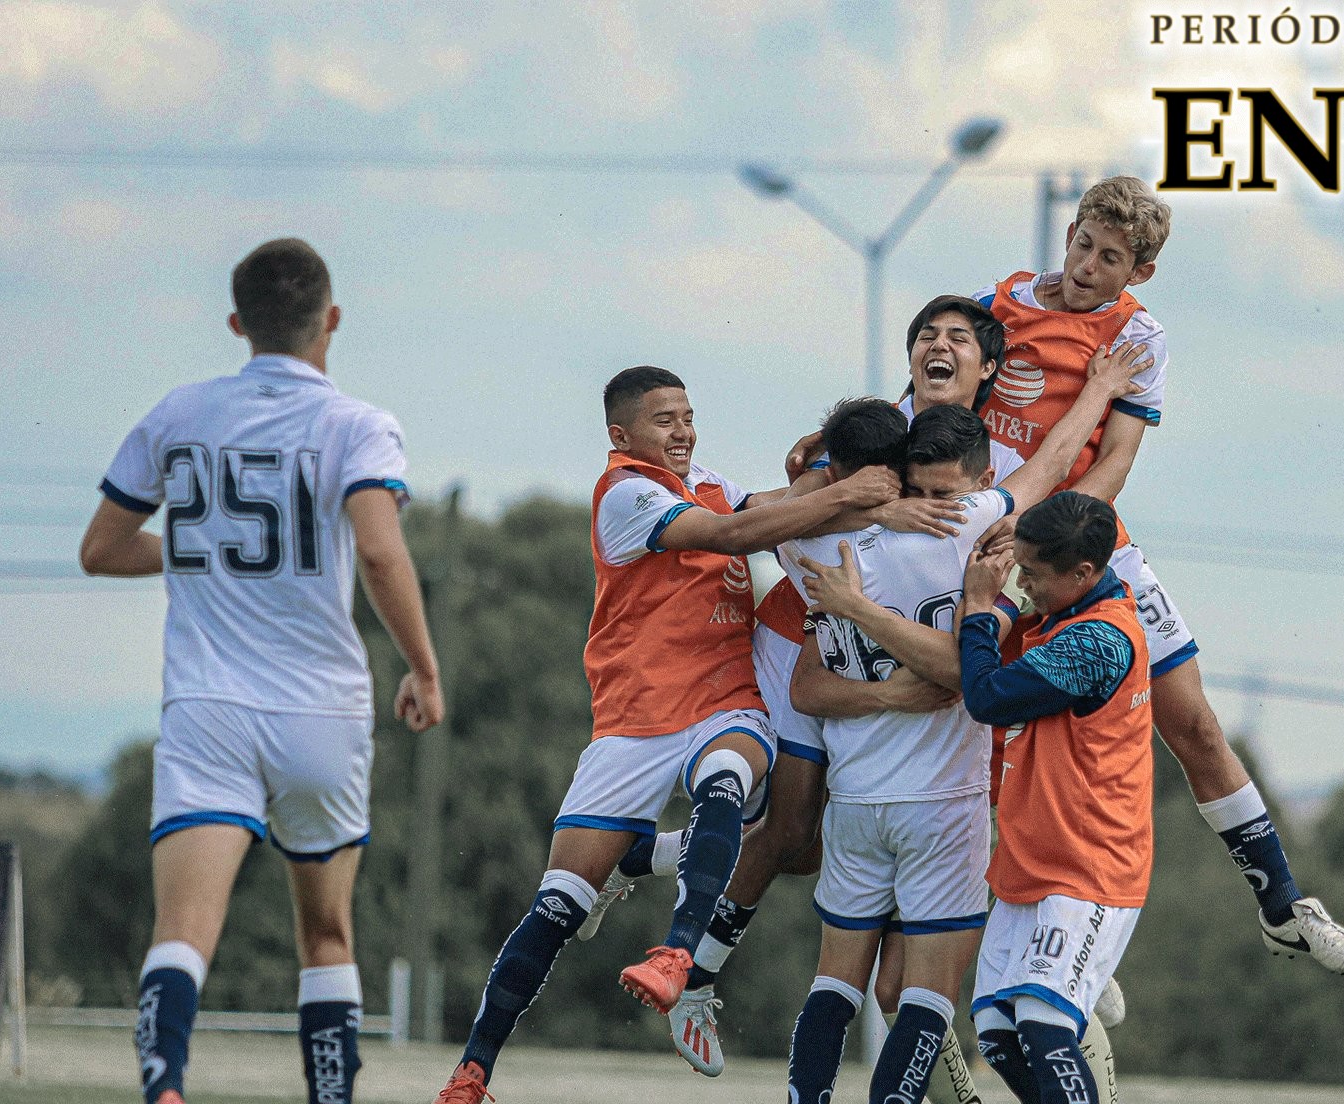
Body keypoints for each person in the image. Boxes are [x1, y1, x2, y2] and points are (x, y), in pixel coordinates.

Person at [431, 366, 898, 1103]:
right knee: (556, 906)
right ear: (622, 436)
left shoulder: (704, 478)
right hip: (633, 724)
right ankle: (473, 1071)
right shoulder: (624, 493)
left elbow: (784, 505)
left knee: (731, 788)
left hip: (723, 704)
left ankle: (677, 958)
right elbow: (734, 533)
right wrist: (846, 491)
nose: (682, 432)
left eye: (687, 416)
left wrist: (855, 455)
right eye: (664, 421)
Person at [964, 176, 1344, 969]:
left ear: (1138, 272)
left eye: (1109, 257)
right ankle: (1061, 917)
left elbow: (1115, 463)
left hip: (1083, 540)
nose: (1085, 265)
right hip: (987, 542)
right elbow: (938, 400)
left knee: (1194, 725)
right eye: (1083, 243)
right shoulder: (998, 300)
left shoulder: (1138, 338)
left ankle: (1283, 906)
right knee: (995, 737)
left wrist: (1046, 544)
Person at [80, 238, 443, 1104]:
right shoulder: (357, 424)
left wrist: (209, 553)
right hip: (322, 708)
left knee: (184, 930)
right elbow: (383, 558)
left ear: (238, 323)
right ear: (333, 319)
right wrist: (424, 669)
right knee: (325, 934)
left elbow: (102, 548)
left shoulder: (179, 413)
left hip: (208, 707)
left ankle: (163, 1084)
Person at [777, 350, 1139, 1103]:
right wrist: (1102, 388)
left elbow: (756, 517)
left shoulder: (806, 546)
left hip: (855, 798)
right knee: (927, 998)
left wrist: (819, 474)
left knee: (833, 984)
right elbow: (1050, 464)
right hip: (942, 800)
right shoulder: (964, 523)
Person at [956, 491, 1153, 1104]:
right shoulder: (1063, 620)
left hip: (1087, 866)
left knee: (1043, 1026)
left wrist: (980, 612)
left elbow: (987, 697)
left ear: (1083, 574)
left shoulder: (1097, 641)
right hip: (1030, 865)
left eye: (1035, 575)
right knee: (996, 1033)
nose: (1024, 583)